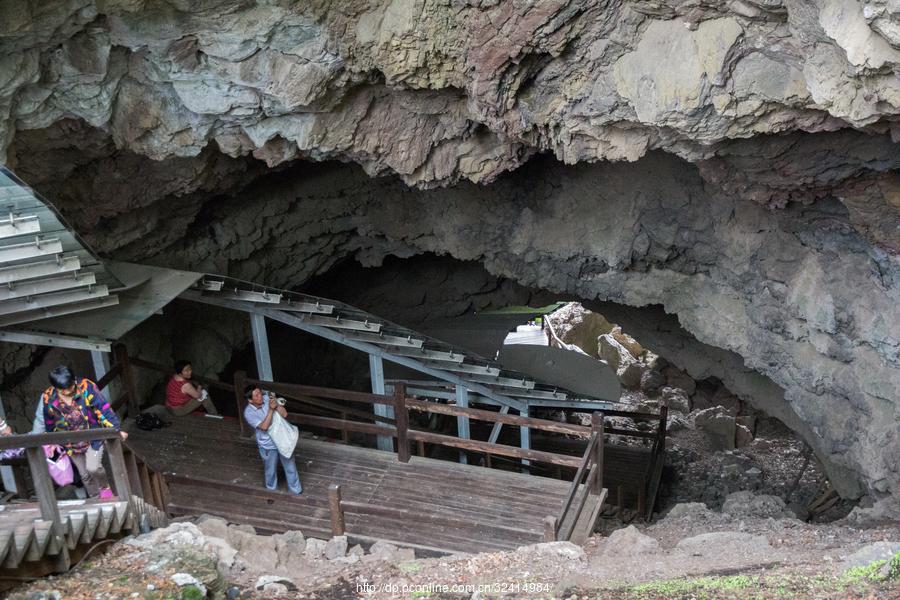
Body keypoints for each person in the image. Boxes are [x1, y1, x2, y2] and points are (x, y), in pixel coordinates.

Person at [40, 365, 126, 499]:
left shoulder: (86, 386)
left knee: (93, 467)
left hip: (93, 438)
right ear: (56, 388)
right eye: (63, 390)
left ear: (74, 381)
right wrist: (51, 441)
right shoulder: (48, 397)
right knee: (85, 475)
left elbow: (104, 408)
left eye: (70, 387)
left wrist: (117, 429)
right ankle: (95, 498)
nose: (68, 391)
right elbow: (49, 421)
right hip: (70, 443)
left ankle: (105, 489)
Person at [243, 385, 301, 495]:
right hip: (267, 445)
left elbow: (284, 414)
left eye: (260, 393)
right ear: (250, 400)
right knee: (270, 471)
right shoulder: (249, 413)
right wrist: (270, 409)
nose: (261, 396)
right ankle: (272, 492)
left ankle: (296, 491)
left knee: (290, 466)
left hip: (282, 439)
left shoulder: (266, 398)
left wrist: (276, 405)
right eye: (256, 395)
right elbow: (264, 427)